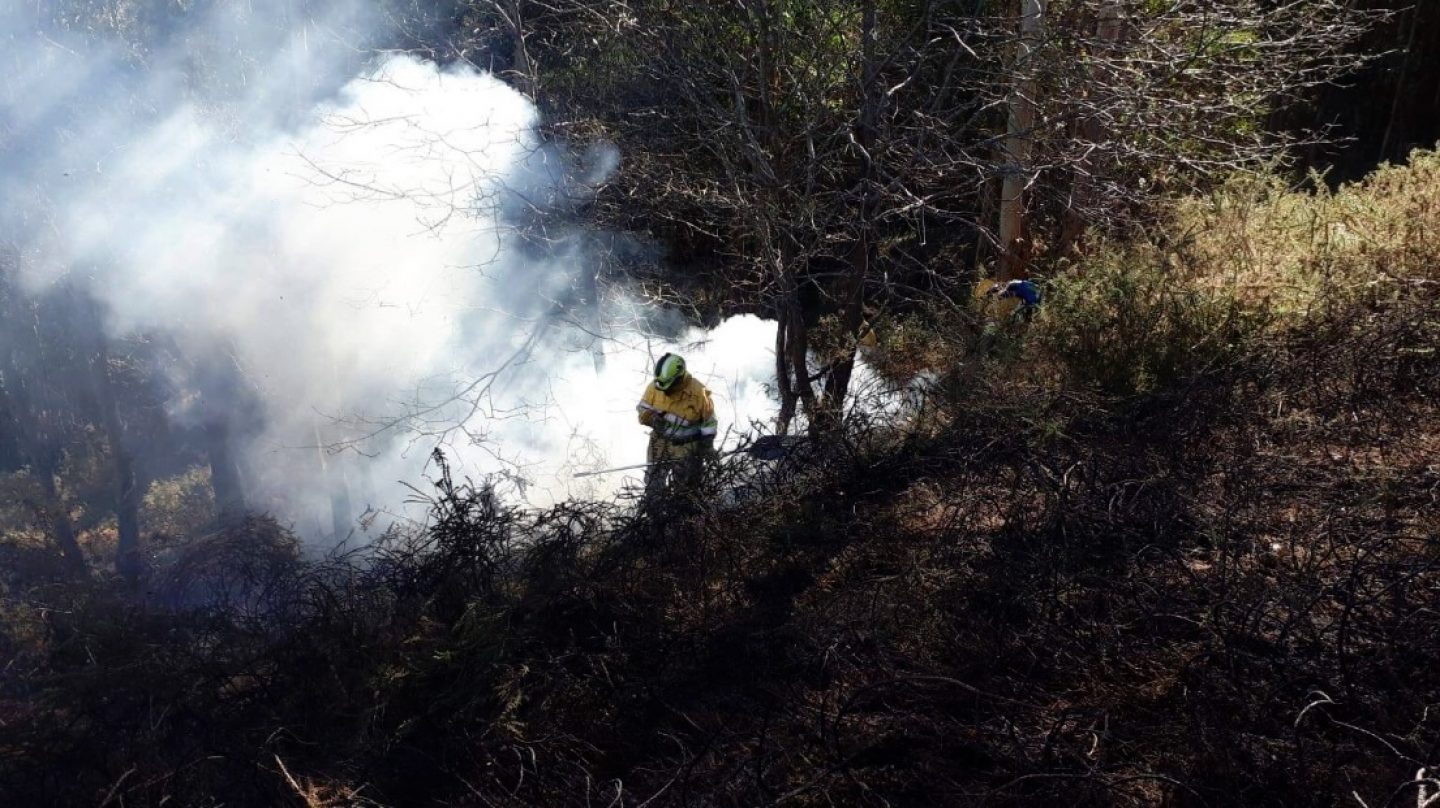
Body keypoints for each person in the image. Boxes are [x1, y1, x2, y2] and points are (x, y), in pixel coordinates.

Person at [636, 353, 718, 504]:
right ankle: (654, 515)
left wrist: (707, 445)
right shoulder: (655, 387)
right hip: (659, 444)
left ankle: (684, 519)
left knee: (686, 491)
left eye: (669, 386)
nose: (664, 390)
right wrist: (652, 418)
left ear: (679, 379)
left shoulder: (698, 393)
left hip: (687, 448)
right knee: (654, 485)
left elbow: (709, 423)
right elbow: (642, 410)